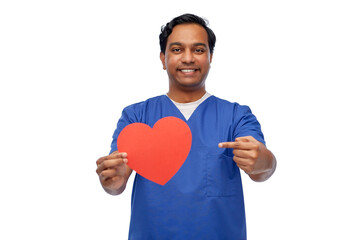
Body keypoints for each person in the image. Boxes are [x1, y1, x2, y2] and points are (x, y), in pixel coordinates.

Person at [96, 13, 276, 240]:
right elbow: (116, 184)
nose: (188, 58)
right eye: (177, 49)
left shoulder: (236, 116)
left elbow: (262, 171)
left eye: (199, 50)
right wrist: (113, 179)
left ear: (211, 57)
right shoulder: (136, 116)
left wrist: (263, 161)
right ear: (163, 58)